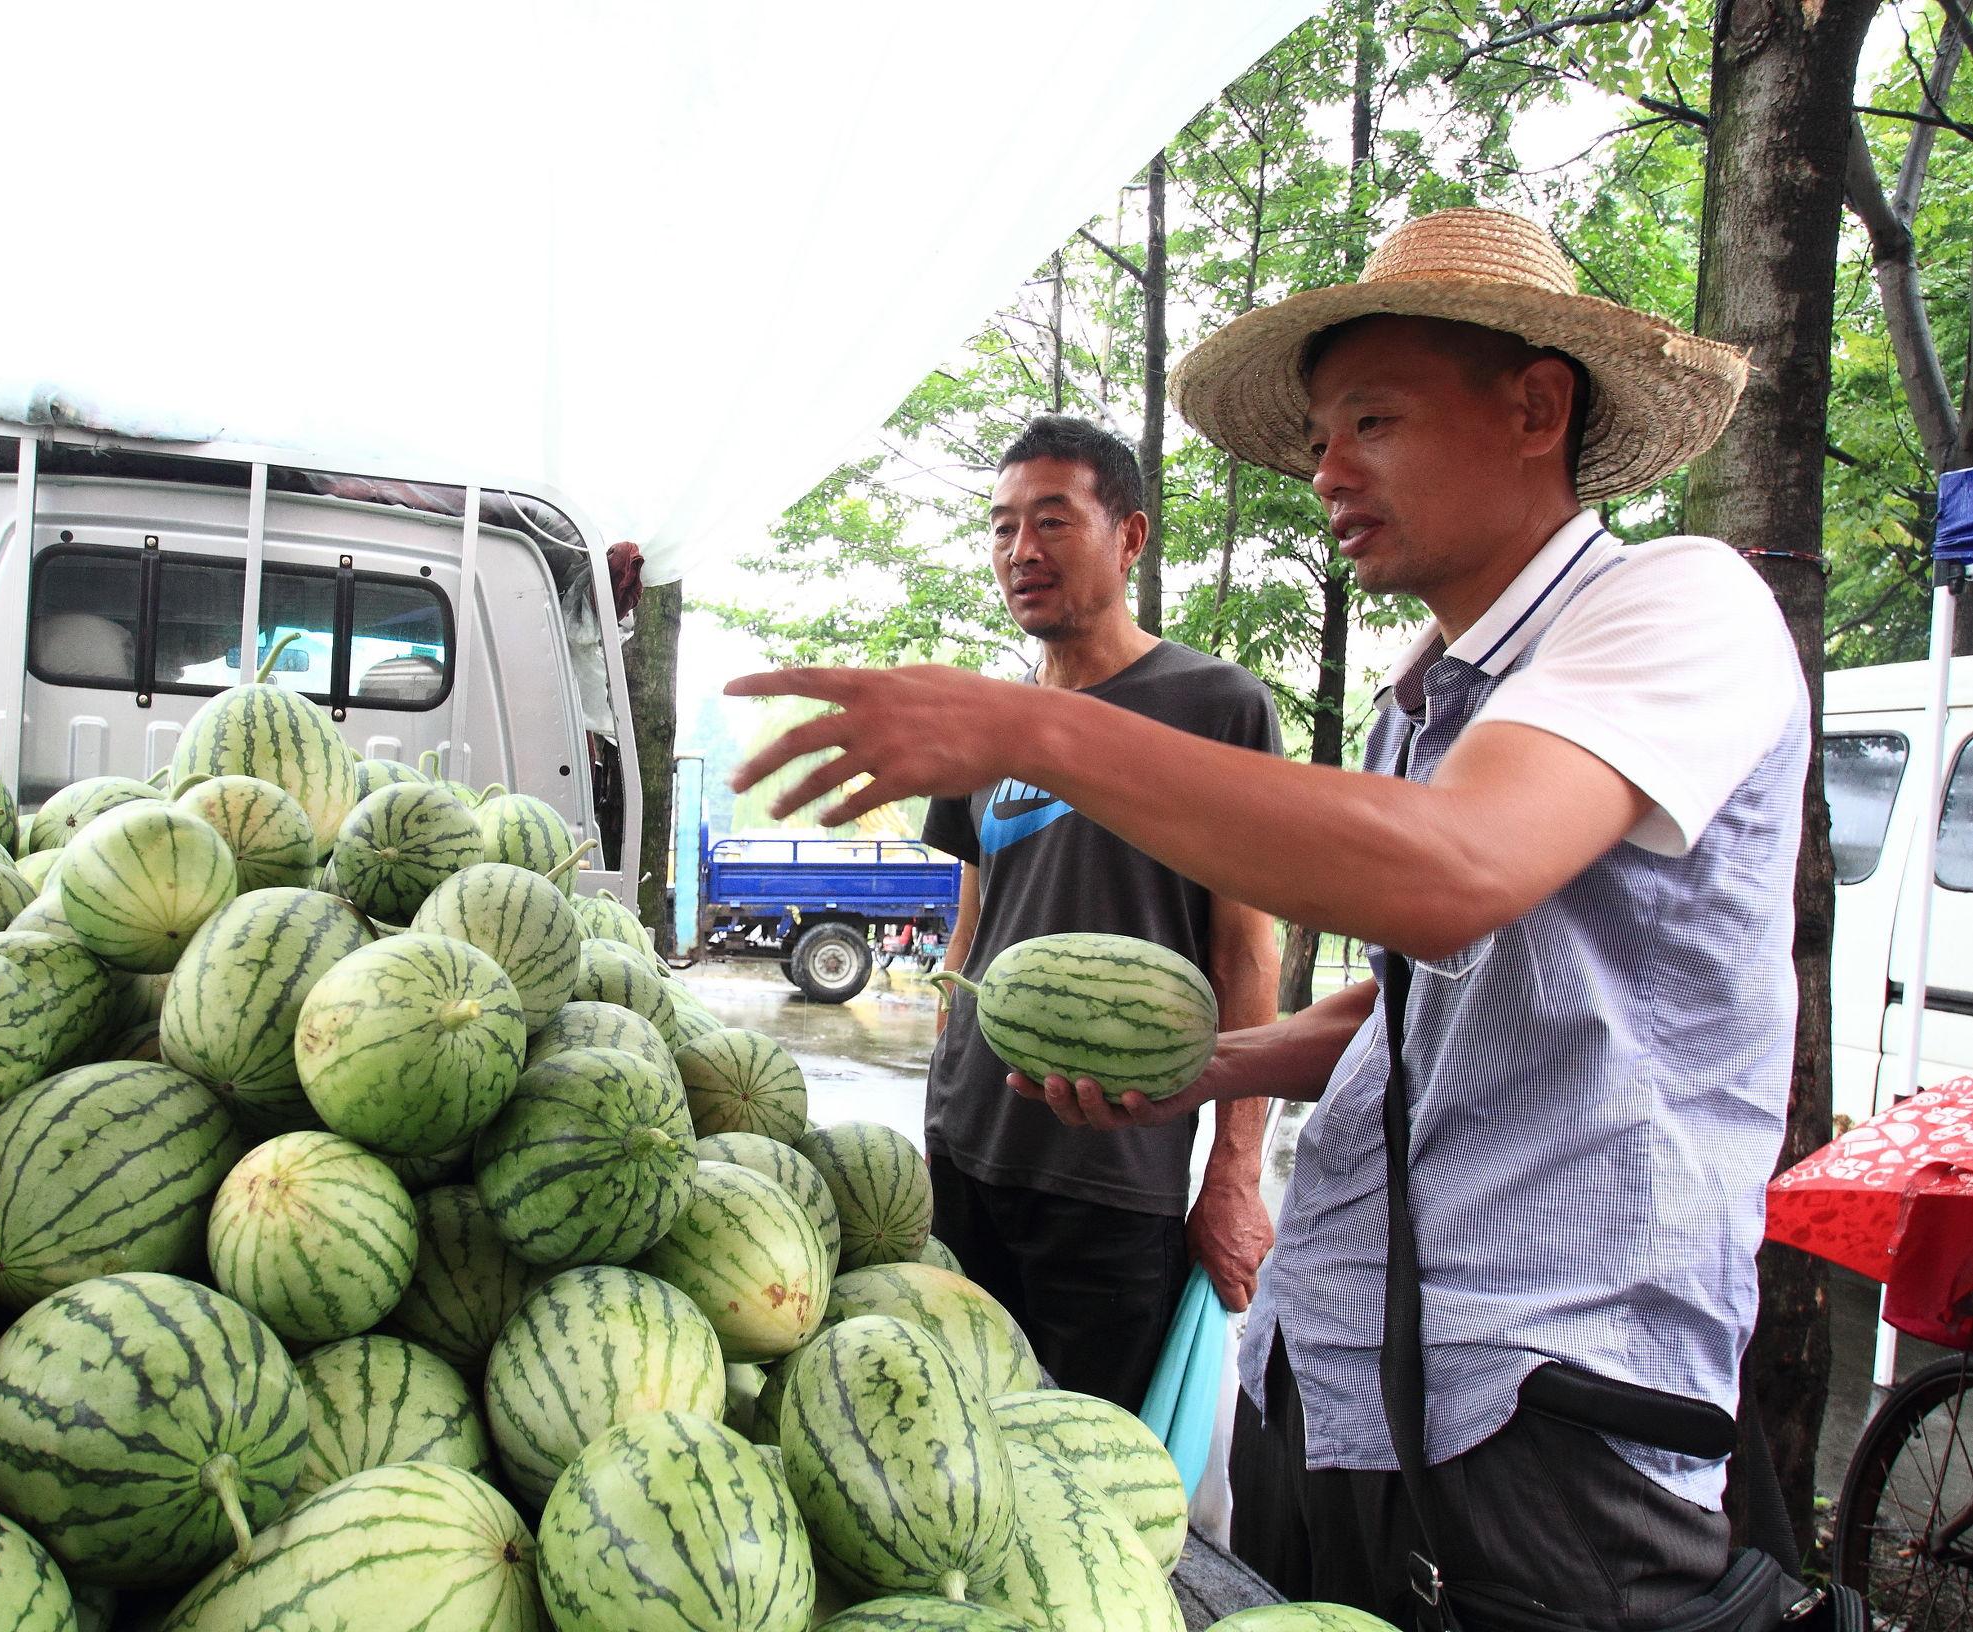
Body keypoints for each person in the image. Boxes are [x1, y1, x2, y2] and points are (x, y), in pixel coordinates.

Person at [724, 208, 1798, 1624]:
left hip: (1544, 1405)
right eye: (1316, 438)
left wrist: (1031, 729)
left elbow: (1448, 872)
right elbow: (1436, 992)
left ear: (1536, 404)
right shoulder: (1434, 694)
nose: (1327, 470)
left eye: (1371, 420)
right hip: (1342, 1376)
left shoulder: (1677, 607)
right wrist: (1212, 1065)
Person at [920, 414, 1281, 1413]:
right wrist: (939, 1097)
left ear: (1129, 537)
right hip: (966, 1153)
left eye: (1050, 521)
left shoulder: (1214, 704)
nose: (1019, 551)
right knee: (961, 1446)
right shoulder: (989, 723)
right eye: (1000, 528)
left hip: (1113, 1173)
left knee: (1092, 1474)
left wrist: (1235, 1173)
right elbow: (973, 922)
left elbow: (1247, 948)